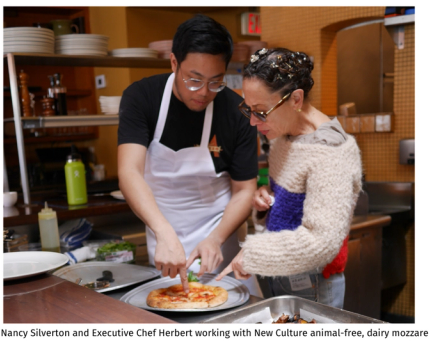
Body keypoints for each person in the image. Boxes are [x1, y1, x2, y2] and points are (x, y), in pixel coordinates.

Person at [117, 15, 261, 295]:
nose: (204, 93)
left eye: (215, 82)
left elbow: (245, 190)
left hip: (220, 247)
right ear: (174, 63)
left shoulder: (236, 111)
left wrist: (216, 239)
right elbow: (129, 172)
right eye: (194, 80)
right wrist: (163, 230)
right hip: (164, 242)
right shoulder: (141, 97)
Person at [216, 47, 363, 308]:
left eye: (260, 110)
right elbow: (286, 199)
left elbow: (321, 243)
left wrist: (253, 254)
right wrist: (266, 201)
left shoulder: (331, 151)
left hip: (314, 283)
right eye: (248, 109)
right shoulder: (284, 136)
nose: (253, 122)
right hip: (280, 273)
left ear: (296, 99)